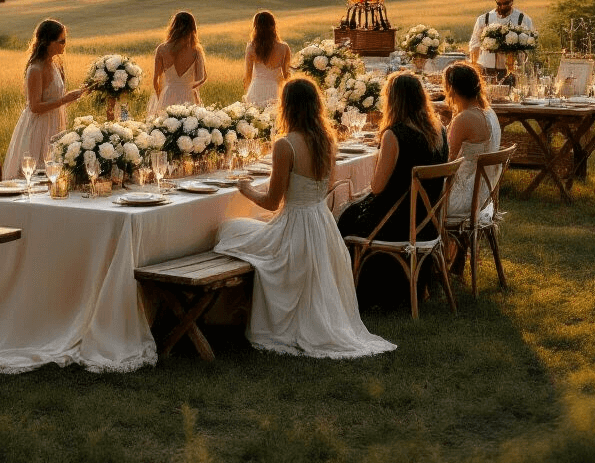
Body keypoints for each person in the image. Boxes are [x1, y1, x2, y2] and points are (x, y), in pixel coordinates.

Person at [215, 78, 396, 358]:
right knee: (247, 227)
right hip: (322, 224)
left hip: (295, 228)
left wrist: (247, 189)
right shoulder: (328, 141)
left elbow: (273, 201)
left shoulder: (285, 145)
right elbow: (322, 187)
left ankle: (227, 315)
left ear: (287, 108)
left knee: (229, 230)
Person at [336, 72, 449, 308]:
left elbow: (377, 188)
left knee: (344, 218)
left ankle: (354, 293)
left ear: (393, 101)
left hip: (396, 223)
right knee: (352, 209)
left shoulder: (394, 135)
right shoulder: (440, 130)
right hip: (427, 223)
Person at [2, 19, 86, 180]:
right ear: (48, 42)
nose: (64, 45)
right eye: (61, 41)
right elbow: (34, 106)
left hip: (55, 123)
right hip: (39, 127)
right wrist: (63, 100)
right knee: (38, 173)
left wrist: (74, 95)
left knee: (55, 171)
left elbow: (56, 98)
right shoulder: (36, 68)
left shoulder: (55, 64)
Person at [444, 62, 501, 220]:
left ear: (452, 89)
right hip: (483, 193)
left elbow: (446, 161)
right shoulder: (489, 113)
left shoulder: (464, 118)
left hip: (462, 200)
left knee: (409, 192)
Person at [148, 11, 207, 115]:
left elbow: (155, 80)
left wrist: (159, 98)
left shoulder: (161, 49)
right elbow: (202, 78)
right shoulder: (196, 51)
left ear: (173, 26)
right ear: (193, 28)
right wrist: (190, 87)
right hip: (189, 96)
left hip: (167, 95)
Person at [469, 0, 534, 79]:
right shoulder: (484, 19)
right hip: (486, 67)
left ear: (512, 1)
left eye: (506, 3)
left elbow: (529, 45)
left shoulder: (523, 20)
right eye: (499, 4)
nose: (502, 7)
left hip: (512, 70)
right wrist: (474, 67)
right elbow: (474, 43)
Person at [243, 11, 291, 108]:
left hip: (256, 90)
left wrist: (247, 93)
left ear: (255, 27)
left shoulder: (251, 47)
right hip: (276, 89)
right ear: (274, 25)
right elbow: (287, 75)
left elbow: (248, 75)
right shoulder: (284, 47)